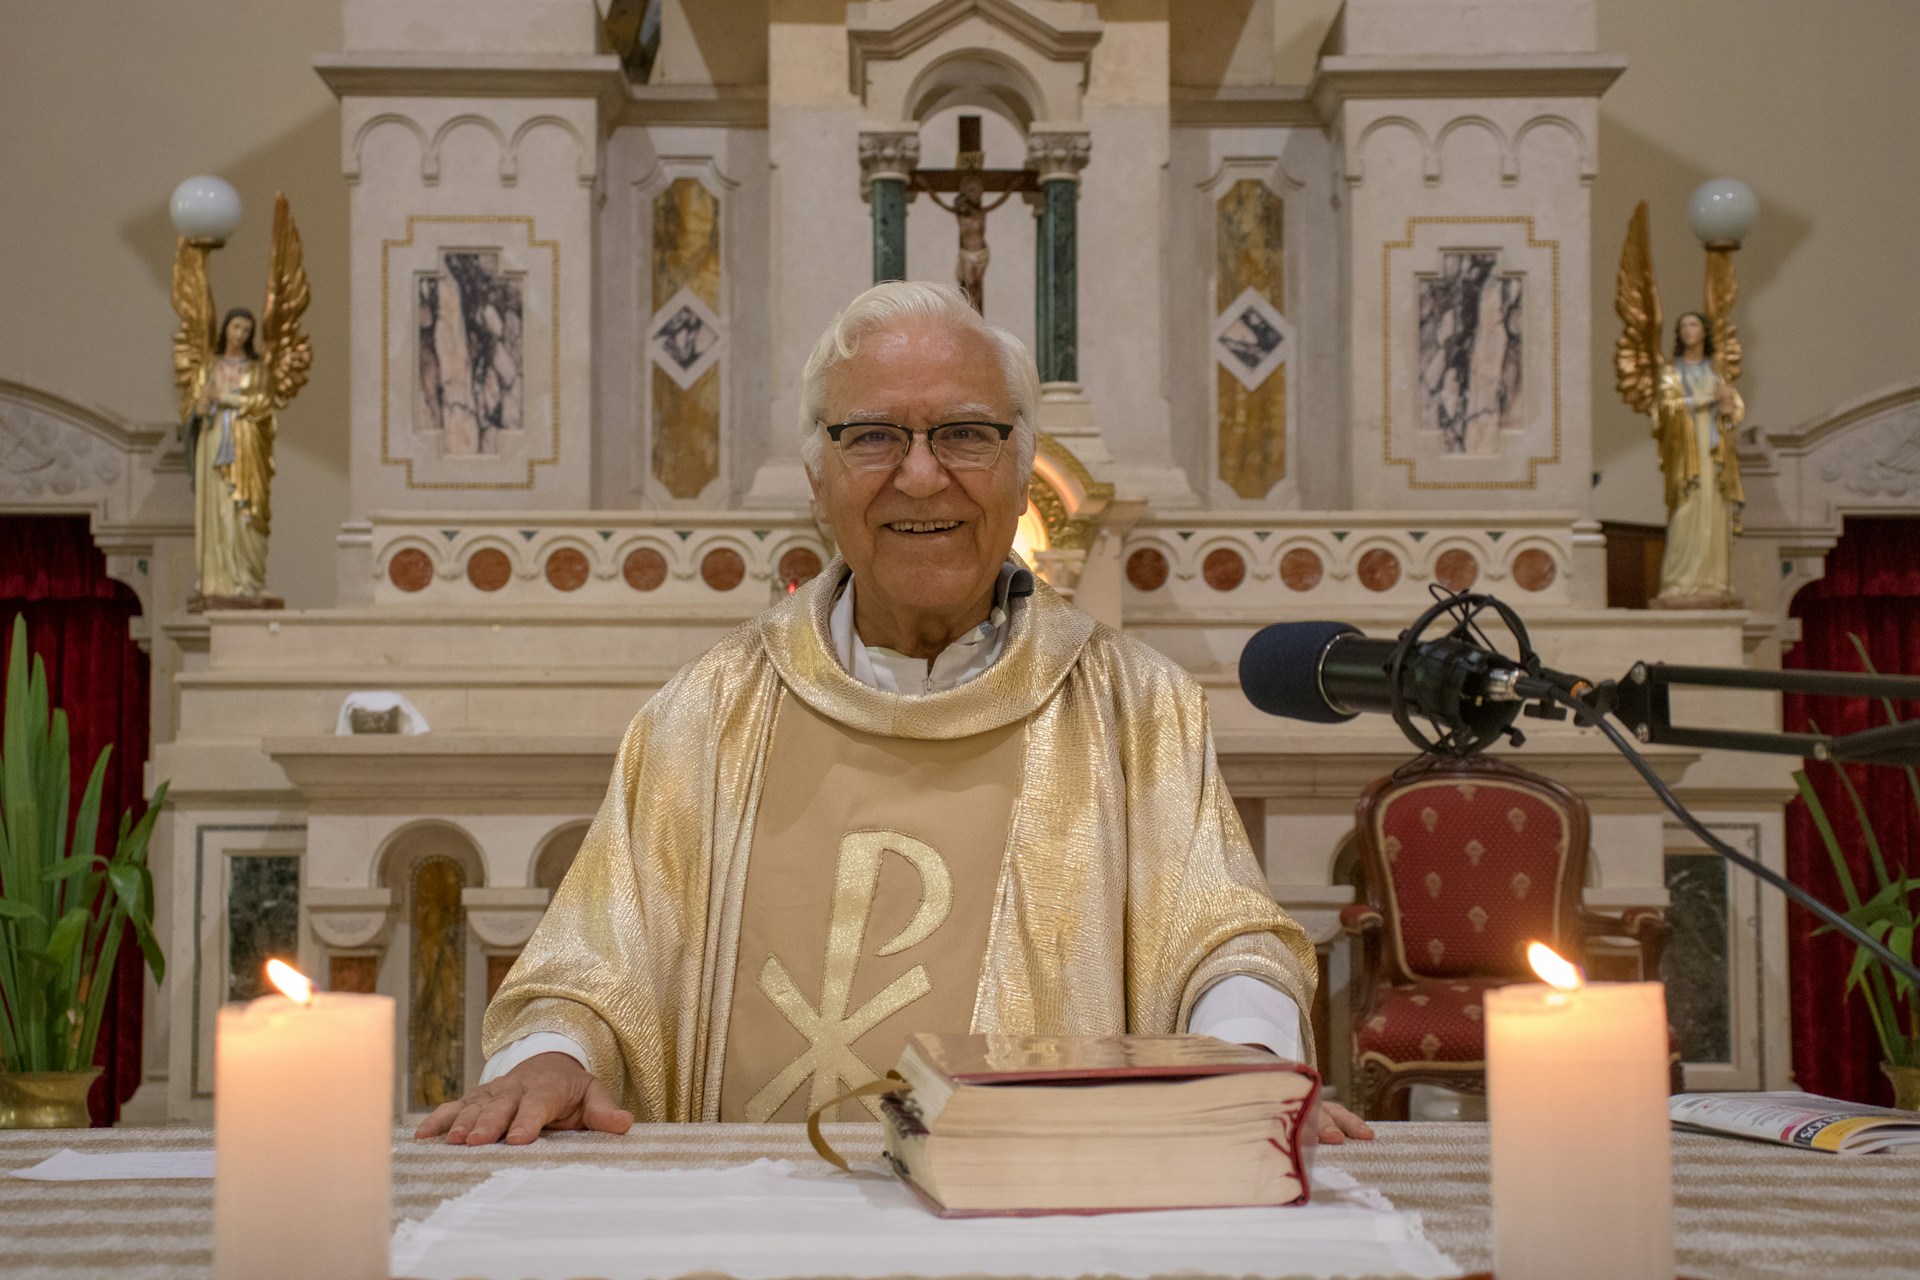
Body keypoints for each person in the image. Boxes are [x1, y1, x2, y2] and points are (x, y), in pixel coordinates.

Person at [418, 281, 1372, 1148]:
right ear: (817, 480)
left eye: (964, 434)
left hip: (1043, 1223)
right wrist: (551, 1057)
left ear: (1022, 469)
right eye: (873, 436)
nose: (921, 476)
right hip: (757, 1235)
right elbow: (593, 966)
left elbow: (1222, 941)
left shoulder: (1134, 706)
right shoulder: (706, 715)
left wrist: (1243, 1055)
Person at [1652, 311, 1744, 606]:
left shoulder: (1717, 371)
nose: (1688, 330)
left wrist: (1729, 409)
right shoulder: (1671, 373)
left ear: (1704, 331)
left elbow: (1734, 408)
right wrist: (1706, 400)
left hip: (1715, 452)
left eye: (1693, 324)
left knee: (1715, 512)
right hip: (1688, 454)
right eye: (1683, 327)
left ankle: (1713, 582)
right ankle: (1679, 582)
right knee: (1687, 513)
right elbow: (1665, 409)